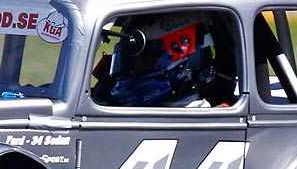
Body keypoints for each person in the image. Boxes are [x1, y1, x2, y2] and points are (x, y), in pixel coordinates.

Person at [94, 13, 229, 107]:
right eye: (130, 60)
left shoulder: (198, 123)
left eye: (146, 57)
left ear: (183, 64)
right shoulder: (141, 113)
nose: (133, 67)